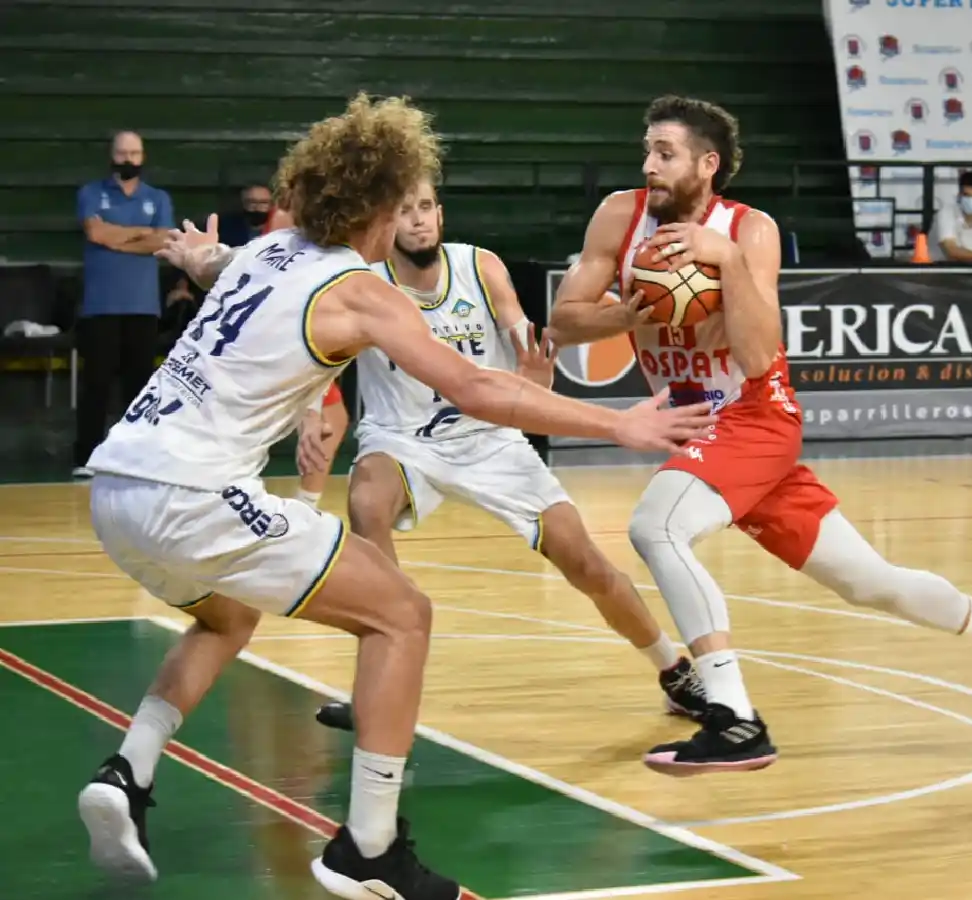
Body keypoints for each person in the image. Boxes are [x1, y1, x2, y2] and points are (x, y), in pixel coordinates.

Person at [76, 93, 715, 900]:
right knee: (402, 615)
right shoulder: (358, 288)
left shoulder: (267, 253)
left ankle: (126, 772)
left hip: (117, 486)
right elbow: (478, 386)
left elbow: (212, 268)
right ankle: (371, 848)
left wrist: (196, 256)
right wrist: (616, 425)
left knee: (227, 614)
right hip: (191, 495)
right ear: (380, 206)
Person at [547, 94, 972, 777]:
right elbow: (564, 323)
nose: (649, 165)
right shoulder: (620, 216)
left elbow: (755, 354)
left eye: (666, 154)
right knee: (870, 583)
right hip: (695, 428)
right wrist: (634, 312)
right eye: (648, 151)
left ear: (707, 165)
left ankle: (734, 718)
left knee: (657, 529)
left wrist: (725, 265)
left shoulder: (750, 230)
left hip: (754, 413)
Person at [279, 177, 705, 733]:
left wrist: (534, 365)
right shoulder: (365, 283)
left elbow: (523, 337)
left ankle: (672, 669)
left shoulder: (479, 266)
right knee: (366, 501)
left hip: (491, 436)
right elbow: (323, 358)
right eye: (405, 210)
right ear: (387, 221)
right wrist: (312, 412)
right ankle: (376, 690)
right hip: (403, 438)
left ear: (442, 214)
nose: (418, 220)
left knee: (587, 564)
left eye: (427, 207)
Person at [74, 130, 175, 479]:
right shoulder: (91, 192)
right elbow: (95, 234)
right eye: (122, 153)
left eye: (135, 153)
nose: (129, 159)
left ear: (143, 157)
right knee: (97, 385)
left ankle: (137, 459)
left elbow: (162, 241)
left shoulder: (157, 197)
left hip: (143, 305)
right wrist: (141, 233)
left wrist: (118, 237)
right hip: (100, 305)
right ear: (112, 155)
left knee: (140, 387)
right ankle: (86, 457)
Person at [259, 204, 349, 509]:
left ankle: (306, 507)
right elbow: (280, 274)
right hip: (280, 326)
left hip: (301, 322)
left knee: (332, 416)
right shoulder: (292, 214)